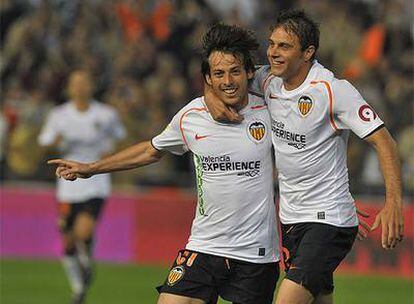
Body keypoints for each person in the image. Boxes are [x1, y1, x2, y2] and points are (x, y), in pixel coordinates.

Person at [48, 24, 280, 304]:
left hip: (256, 254)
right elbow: (150, 150)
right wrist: (91, 168)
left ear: (249, 73)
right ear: (207, 78)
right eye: (218, 74)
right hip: (205, 245)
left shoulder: (270, 110)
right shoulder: (191, 116)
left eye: (235, 72)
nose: (228, 80)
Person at [204, 10, 404, 304]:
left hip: (327, 220)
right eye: (272, 44)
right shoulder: (268, 80)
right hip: (291, 219)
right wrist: (210, 96)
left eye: (284, 46)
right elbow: (224, 80)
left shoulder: (333, 90)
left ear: (308, 52)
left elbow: (384, 141)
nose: (273, 52)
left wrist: (393, 203)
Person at [38, 70, 126, 304]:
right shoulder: (59, 115)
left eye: (84, 83)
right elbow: (44, 143)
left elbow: (119, 138)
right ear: (69, 87)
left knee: (84, 231)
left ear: (91, 86)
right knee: (67, 241)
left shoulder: (106, 114)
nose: (79, 88)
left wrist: (108, 154)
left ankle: (86, 261)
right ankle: (78, 288)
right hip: (67, 182)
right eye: (75, 83)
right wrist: (55, 143)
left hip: (95, 180)